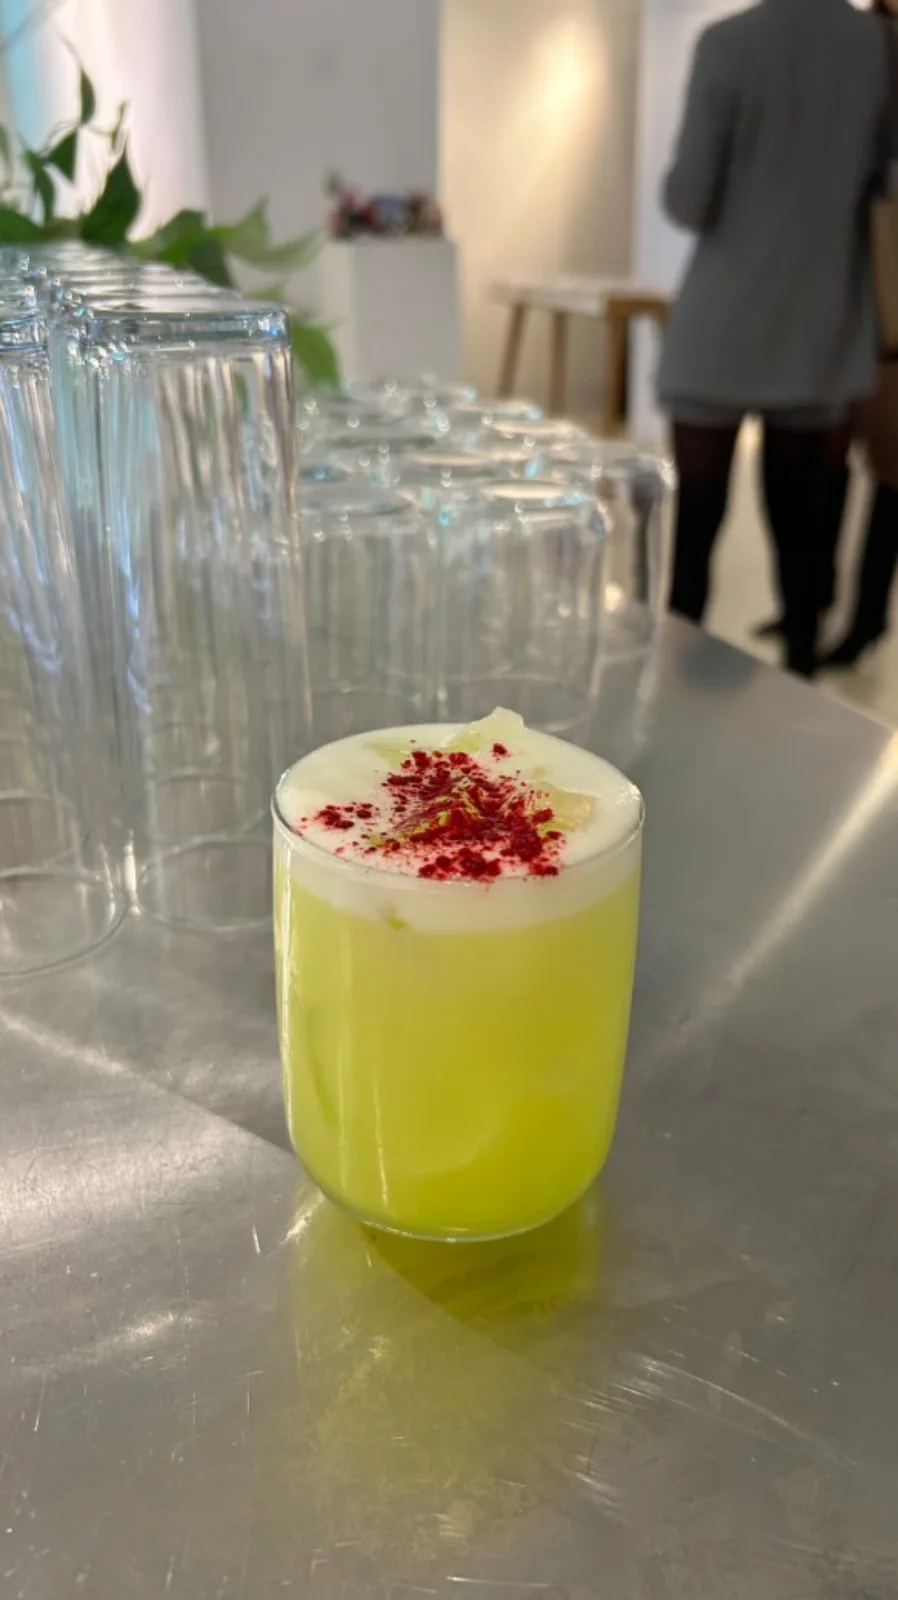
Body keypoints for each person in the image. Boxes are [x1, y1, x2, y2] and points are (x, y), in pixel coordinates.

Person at [660, 0, 890, 677]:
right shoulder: (878, 48)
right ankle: (802, 679)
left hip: (721, 325)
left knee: (695, 537)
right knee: (801, 537)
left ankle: (675, 697)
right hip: (820, 322)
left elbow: (688, 200)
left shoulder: (726, 43)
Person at [821, 0, 898, 669]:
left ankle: (866, 618)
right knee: (828, 460)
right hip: (847, 301)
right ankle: (816, 601)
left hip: (887, 318)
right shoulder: (862, 47)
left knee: (889, 471)